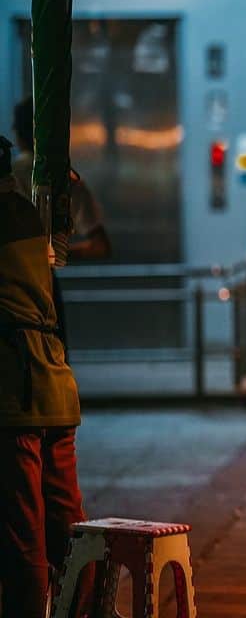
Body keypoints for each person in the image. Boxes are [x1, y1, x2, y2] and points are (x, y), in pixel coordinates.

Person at [0, 134, 92, 616]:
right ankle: (90, 608)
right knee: (70, 531)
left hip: (16, 390)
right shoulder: (30, 213)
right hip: (54, 385)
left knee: (23, 536)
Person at [11, 97, 112, 346]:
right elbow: (100, 246)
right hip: (46, 292)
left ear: (19, 133)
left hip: (9, 293)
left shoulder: (9, 176)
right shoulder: (65, 179)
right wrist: (53, 254)